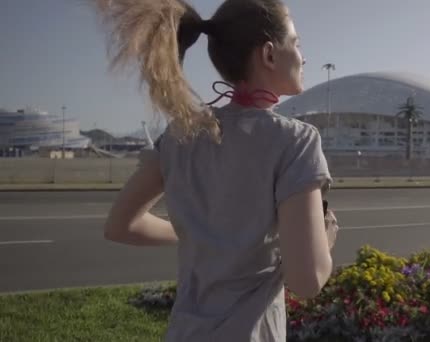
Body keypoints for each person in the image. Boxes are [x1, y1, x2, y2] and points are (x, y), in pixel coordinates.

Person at [92, 0, 338, 340]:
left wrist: (207, 235)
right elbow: (306, 280)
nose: (303, 56)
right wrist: (324, 242)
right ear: (269, 55)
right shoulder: (295, 140)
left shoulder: (180, 135)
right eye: (295, 44)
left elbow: (121, 226)